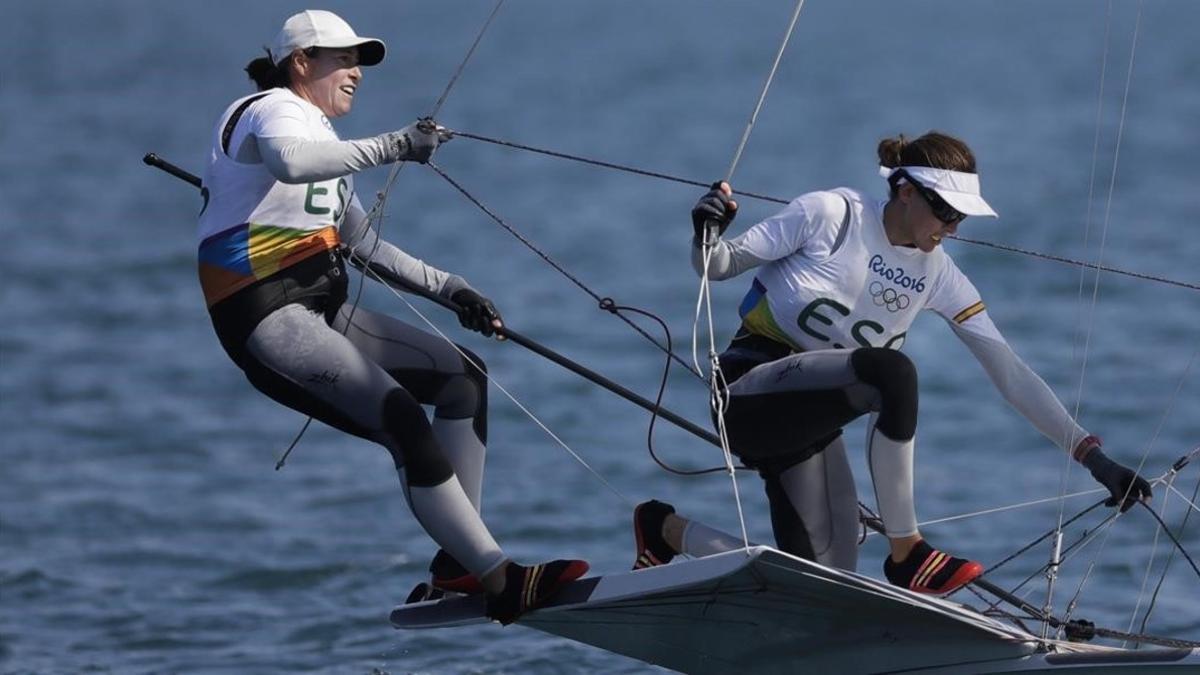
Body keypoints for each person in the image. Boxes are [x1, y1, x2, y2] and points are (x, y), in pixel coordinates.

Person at [630, 131, 1152, 595]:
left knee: (819, 587)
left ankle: (664, 530)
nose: (953, 226)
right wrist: (707, 227)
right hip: (748, 392)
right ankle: (908, 554)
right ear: (906, 192)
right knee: (892, 372)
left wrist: (1093, 459)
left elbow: (1009, 371)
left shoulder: (941, 276)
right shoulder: (832, 215)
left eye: (961, 216)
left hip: (812, 421)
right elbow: (715, 266)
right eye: (945, 211)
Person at [196, 10, 586, 624]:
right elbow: (292, 164)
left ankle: (456, 566)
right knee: (401, 417)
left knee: (464, 378)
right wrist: (398, 146)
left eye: (361, 62)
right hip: (265, 312)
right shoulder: (273, 109)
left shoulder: (322, 141)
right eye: (342, 59)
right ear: (301, 64)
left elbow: (365, 247)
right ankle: (500, 578)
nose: (355, 72)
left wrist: (454, 290)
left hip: (324, 308)